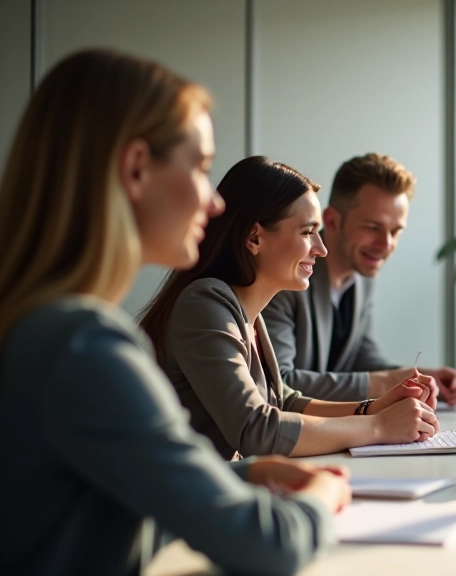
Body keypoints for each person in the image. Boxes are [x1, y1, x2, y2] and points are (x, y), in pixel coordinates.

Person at [0, 49, 350, 575]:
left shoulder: (46, 328)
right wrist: (323, 495)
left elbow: (116, 492)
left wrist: (242, 477)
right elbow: (267, 548)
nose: (214, 204)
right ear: (137, 168)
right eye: (202, 168)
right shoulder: (82, 347)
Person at [141, 156, 440, 460]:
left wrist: (373, 408)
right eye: (308, 232)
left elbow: (283, 401)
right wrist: (377, 426)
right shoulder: (204, 304)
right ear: (254, 237)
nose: (321, 249)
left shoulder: (247, 315)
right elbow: (256, 430)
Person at [263, 153, 456, 405]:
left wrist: (419, 379)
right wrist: (388, 382)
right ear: (332, 221)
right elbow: (278, 382)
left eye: (395, 231)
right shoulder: (285, 274)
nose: (386, 244)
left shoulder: (361, 276)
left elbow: (361, 358)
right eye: (372, 228)